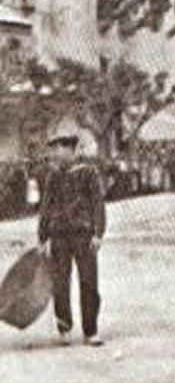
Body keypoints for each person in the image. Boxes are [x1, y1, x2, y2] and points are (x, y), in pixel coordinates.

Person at [37, 134, 106, 347]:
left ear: (71, 150)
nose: (56, 153)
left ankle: (90, 331)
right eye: (54, 148)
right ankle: (64, 328)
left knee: (89, 282)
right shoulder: (53, 176)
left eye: (59, 148)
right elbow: (45, 208)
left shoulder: (88, 173)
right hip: (59, 236)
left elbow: (98, 204)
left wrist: (98, 233)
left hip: (83, 235)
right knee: (60, 284)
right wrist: (42, 237)